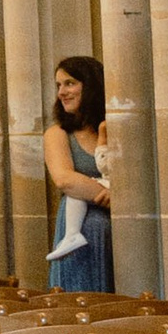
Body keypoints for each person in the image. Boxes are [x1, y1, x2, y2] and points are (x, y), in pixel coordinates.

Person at [43, 53, 113, 293]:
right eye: (59, 85)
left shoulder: (114, 128)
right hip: (79, 234)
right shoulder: (58, 133)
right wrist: (110, 196)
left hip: (119, 234)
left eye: (70, 83)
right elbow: (65, 179)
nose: (62, 92)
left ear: (91, 86)